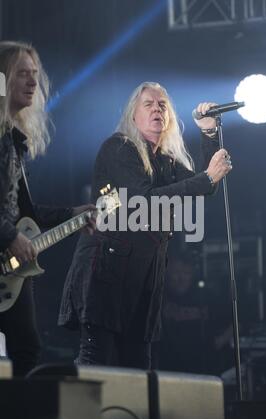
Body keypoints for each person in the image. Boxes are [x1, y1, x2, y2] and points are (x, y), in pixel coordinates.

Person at [58, 81, 232, 369]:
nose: (157, 110)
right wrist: (207, 178)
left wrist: (209, 132)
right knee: (98, 365)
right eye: (148, 104)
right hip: (106, 275)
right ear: (133, 115)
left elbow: (205, 183)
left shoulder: (165, 160)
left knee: (138, 371)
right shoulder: (119, 148)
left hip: (143, 278)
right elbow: (143, 200)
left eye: (162, 105)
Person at [0, 41, 95, 376]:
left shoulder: (13, 139)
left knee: (26, 351)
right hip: (8, 251)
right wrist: (10, 234)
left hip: (12, 268)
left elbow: (25, 210)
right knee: (26, 352)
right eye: (21, 74)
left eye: (35, 75)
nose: (32, 82)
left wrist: (75, 213)